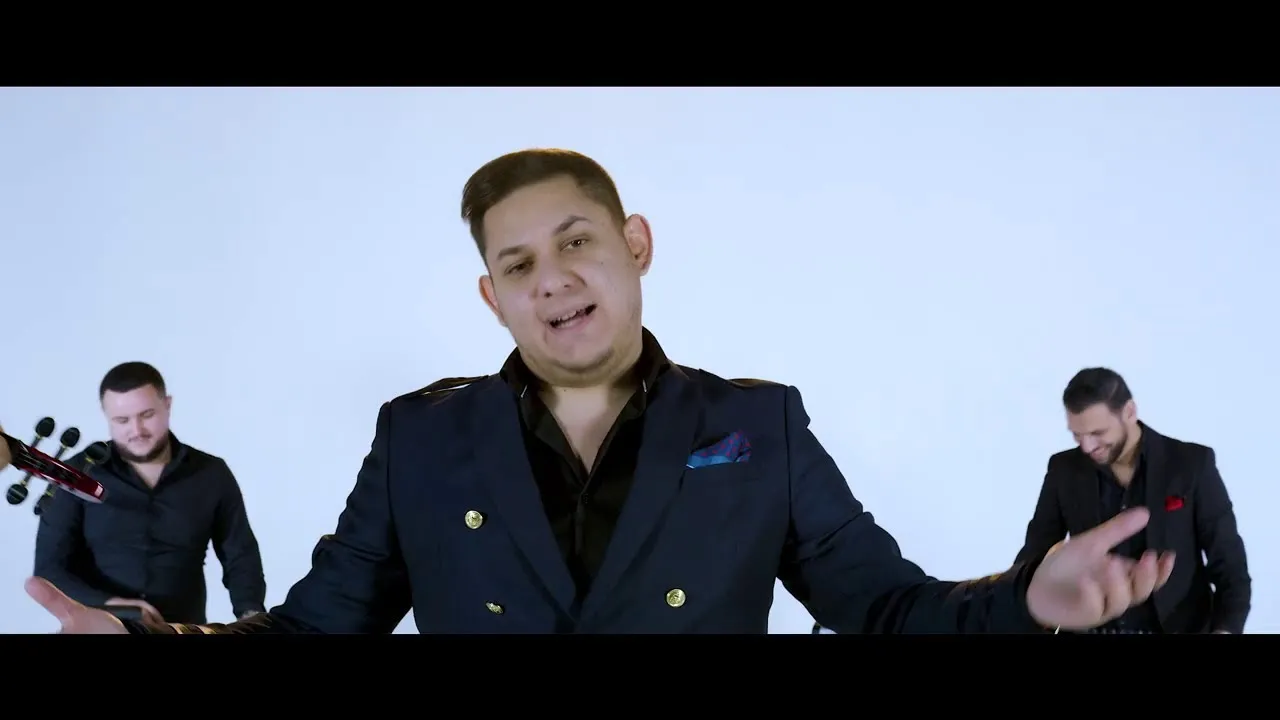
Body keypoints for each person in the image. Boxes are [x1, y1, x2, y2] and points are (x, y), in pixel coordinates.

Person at [8, 149, 1175, 635]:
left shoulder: (754, 423)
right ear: (491, 297)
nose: (552, 278)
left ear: (635, 245)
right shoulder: (419, 436)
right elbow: (315, 630)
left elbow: (886, 609)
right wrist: (154, 635)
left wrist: (1026, 605)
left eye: (576, 242)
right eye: (516, 263)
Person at [28, 361, 267, 625]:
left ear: (168, 405)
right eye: (122, 420)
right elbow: (49, 570)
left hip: (184, 629)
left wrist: (251, 616)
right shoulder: (75, 474)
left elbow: (240, 556)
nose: (136, 430)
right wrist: (117, 606)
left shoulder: (211, 473)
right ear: (106, 415)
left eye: (147, 415)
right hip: (101, 628)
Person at [1014, 367, 1251, 634]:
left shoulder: (1191, 465)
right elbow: (1033, 562)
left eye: (1098, 432)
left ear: (1129, 411)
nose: (1087, 447)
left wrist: (1224, 630)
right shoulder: (1063, 469)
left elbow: (1231, 569)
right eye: (1077, 435)